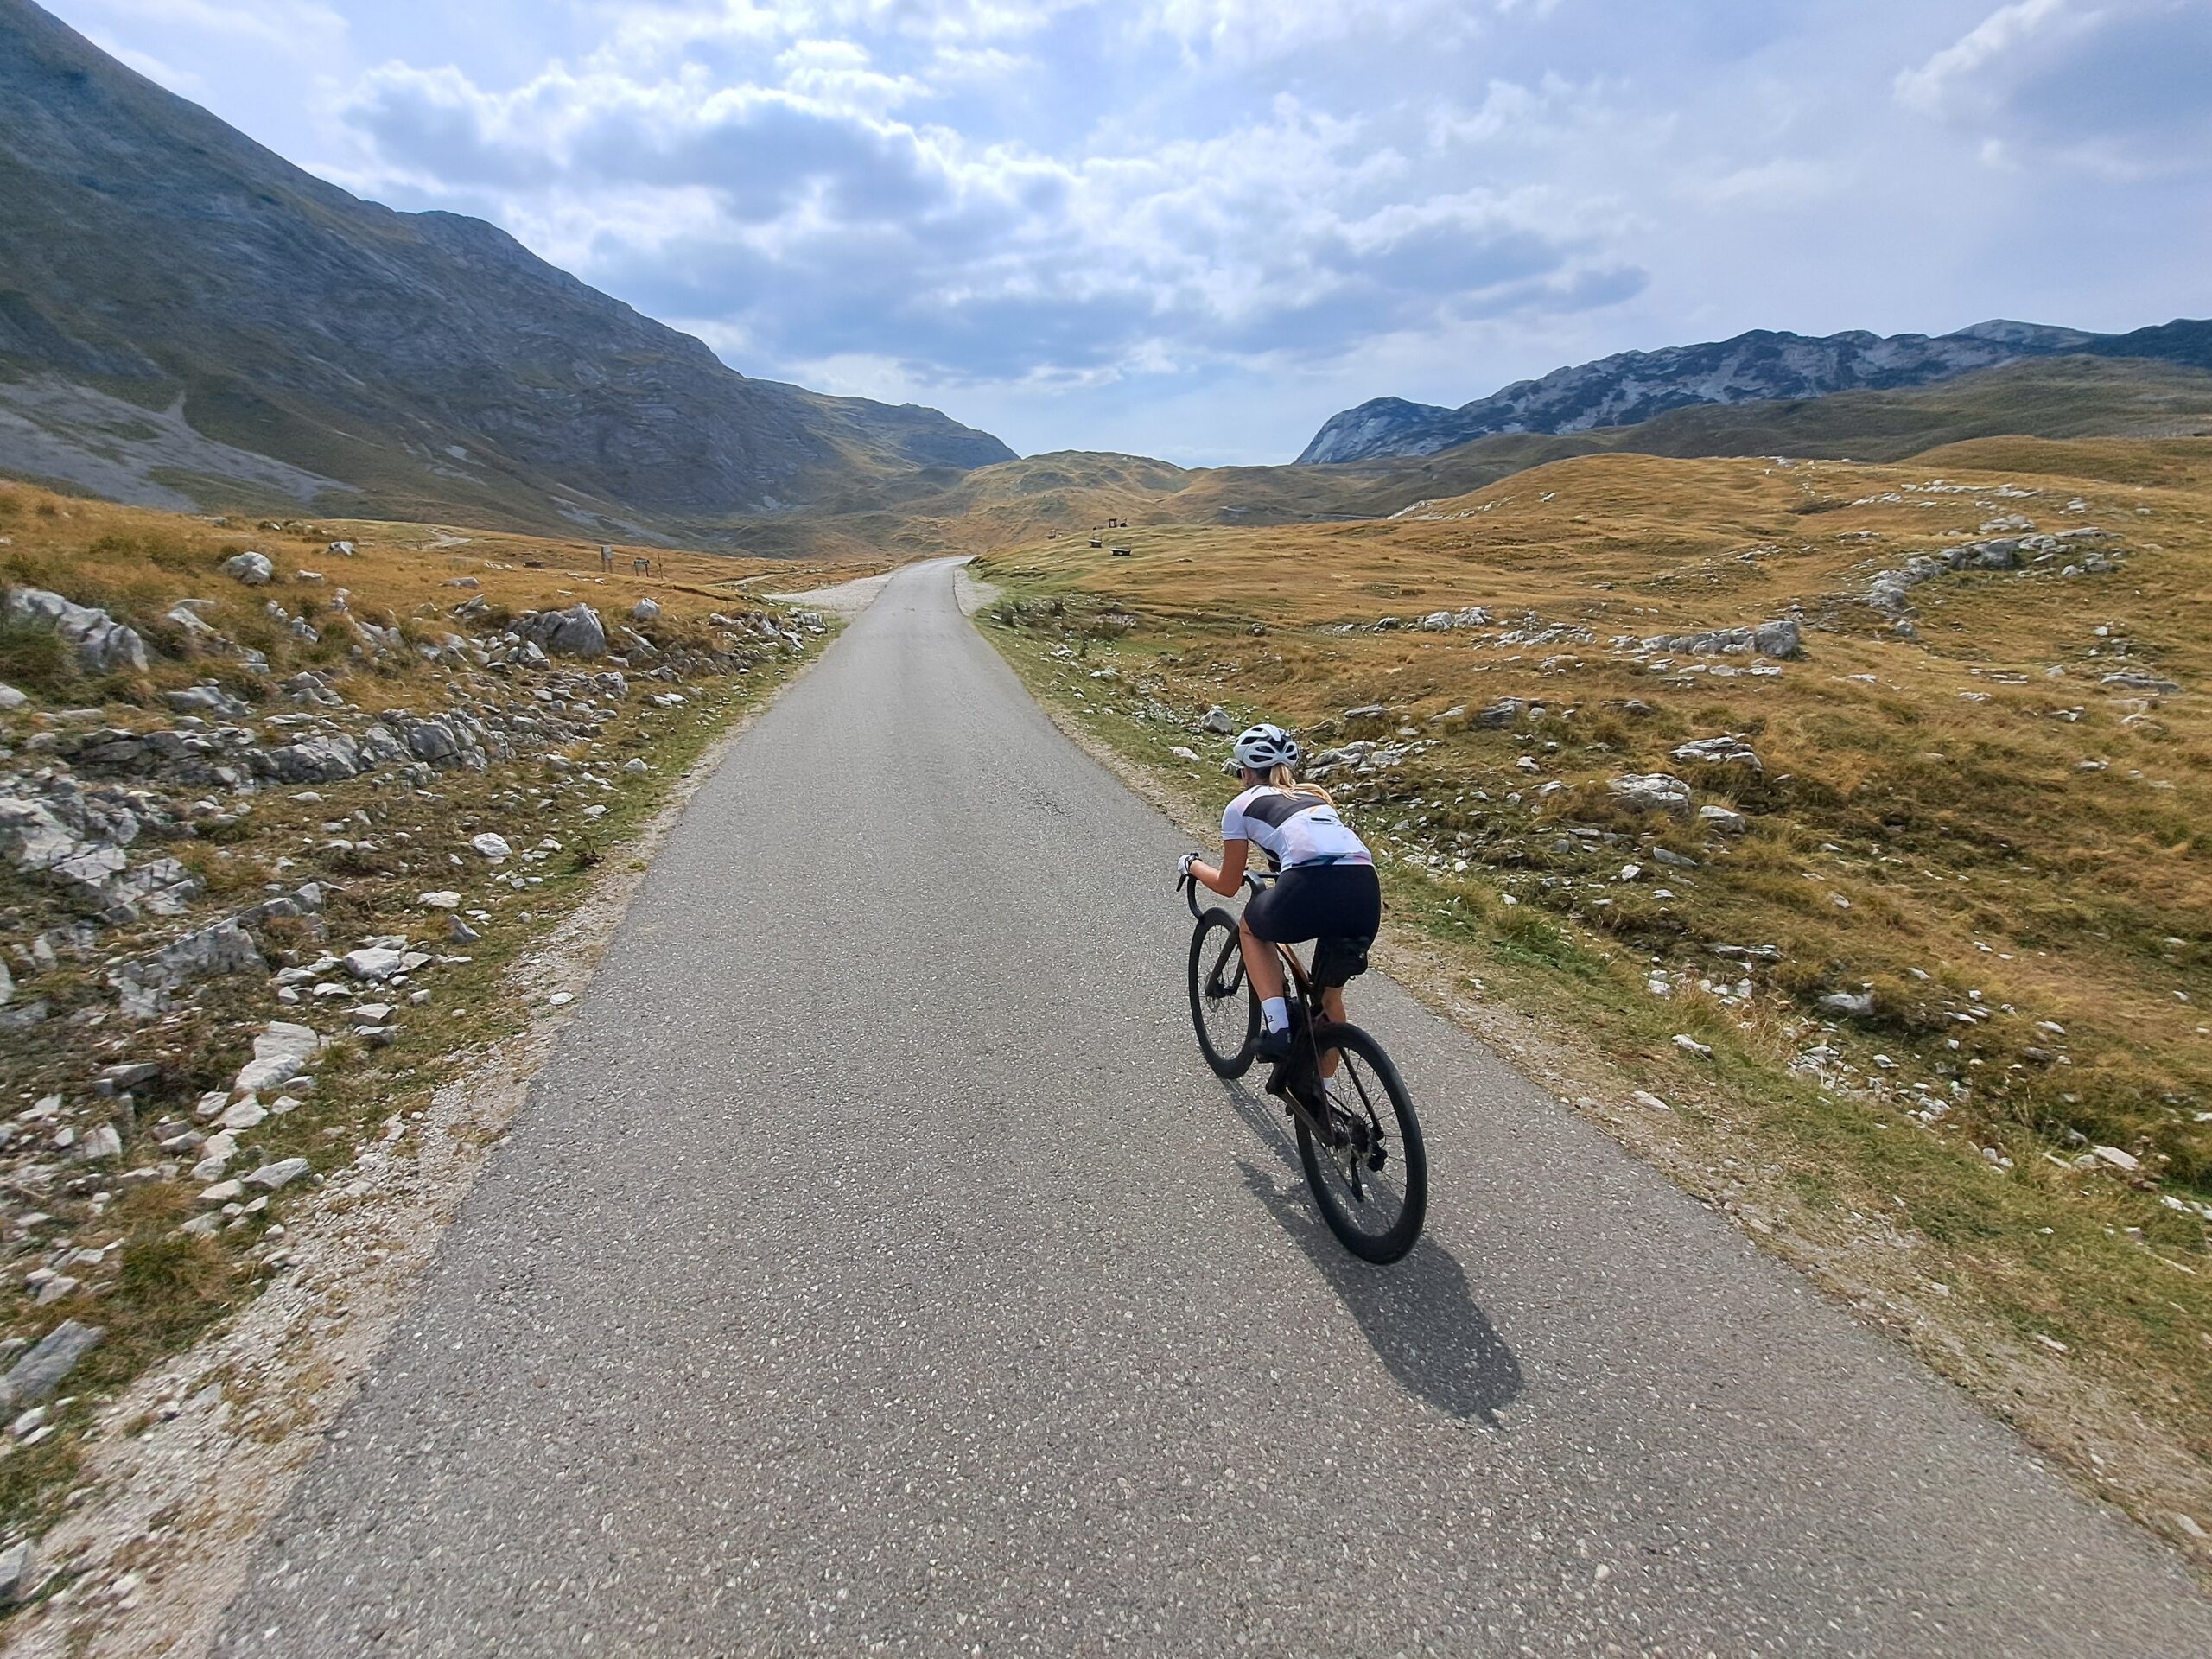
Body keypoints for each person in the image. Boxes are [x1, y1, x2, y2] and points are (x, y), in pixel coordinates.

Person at [1179, 722, 1380, 1071]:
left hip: (1309, 883)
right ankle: (1327, 1109)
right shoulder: (1315, 797)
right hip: (1364, 889)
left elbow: (1228, 884)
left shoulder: (1240, 805)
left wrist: (1192, 866)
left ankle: (1278, 1030)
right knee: (1328, 999)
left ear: (1244, 770)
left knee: (1250, 928)